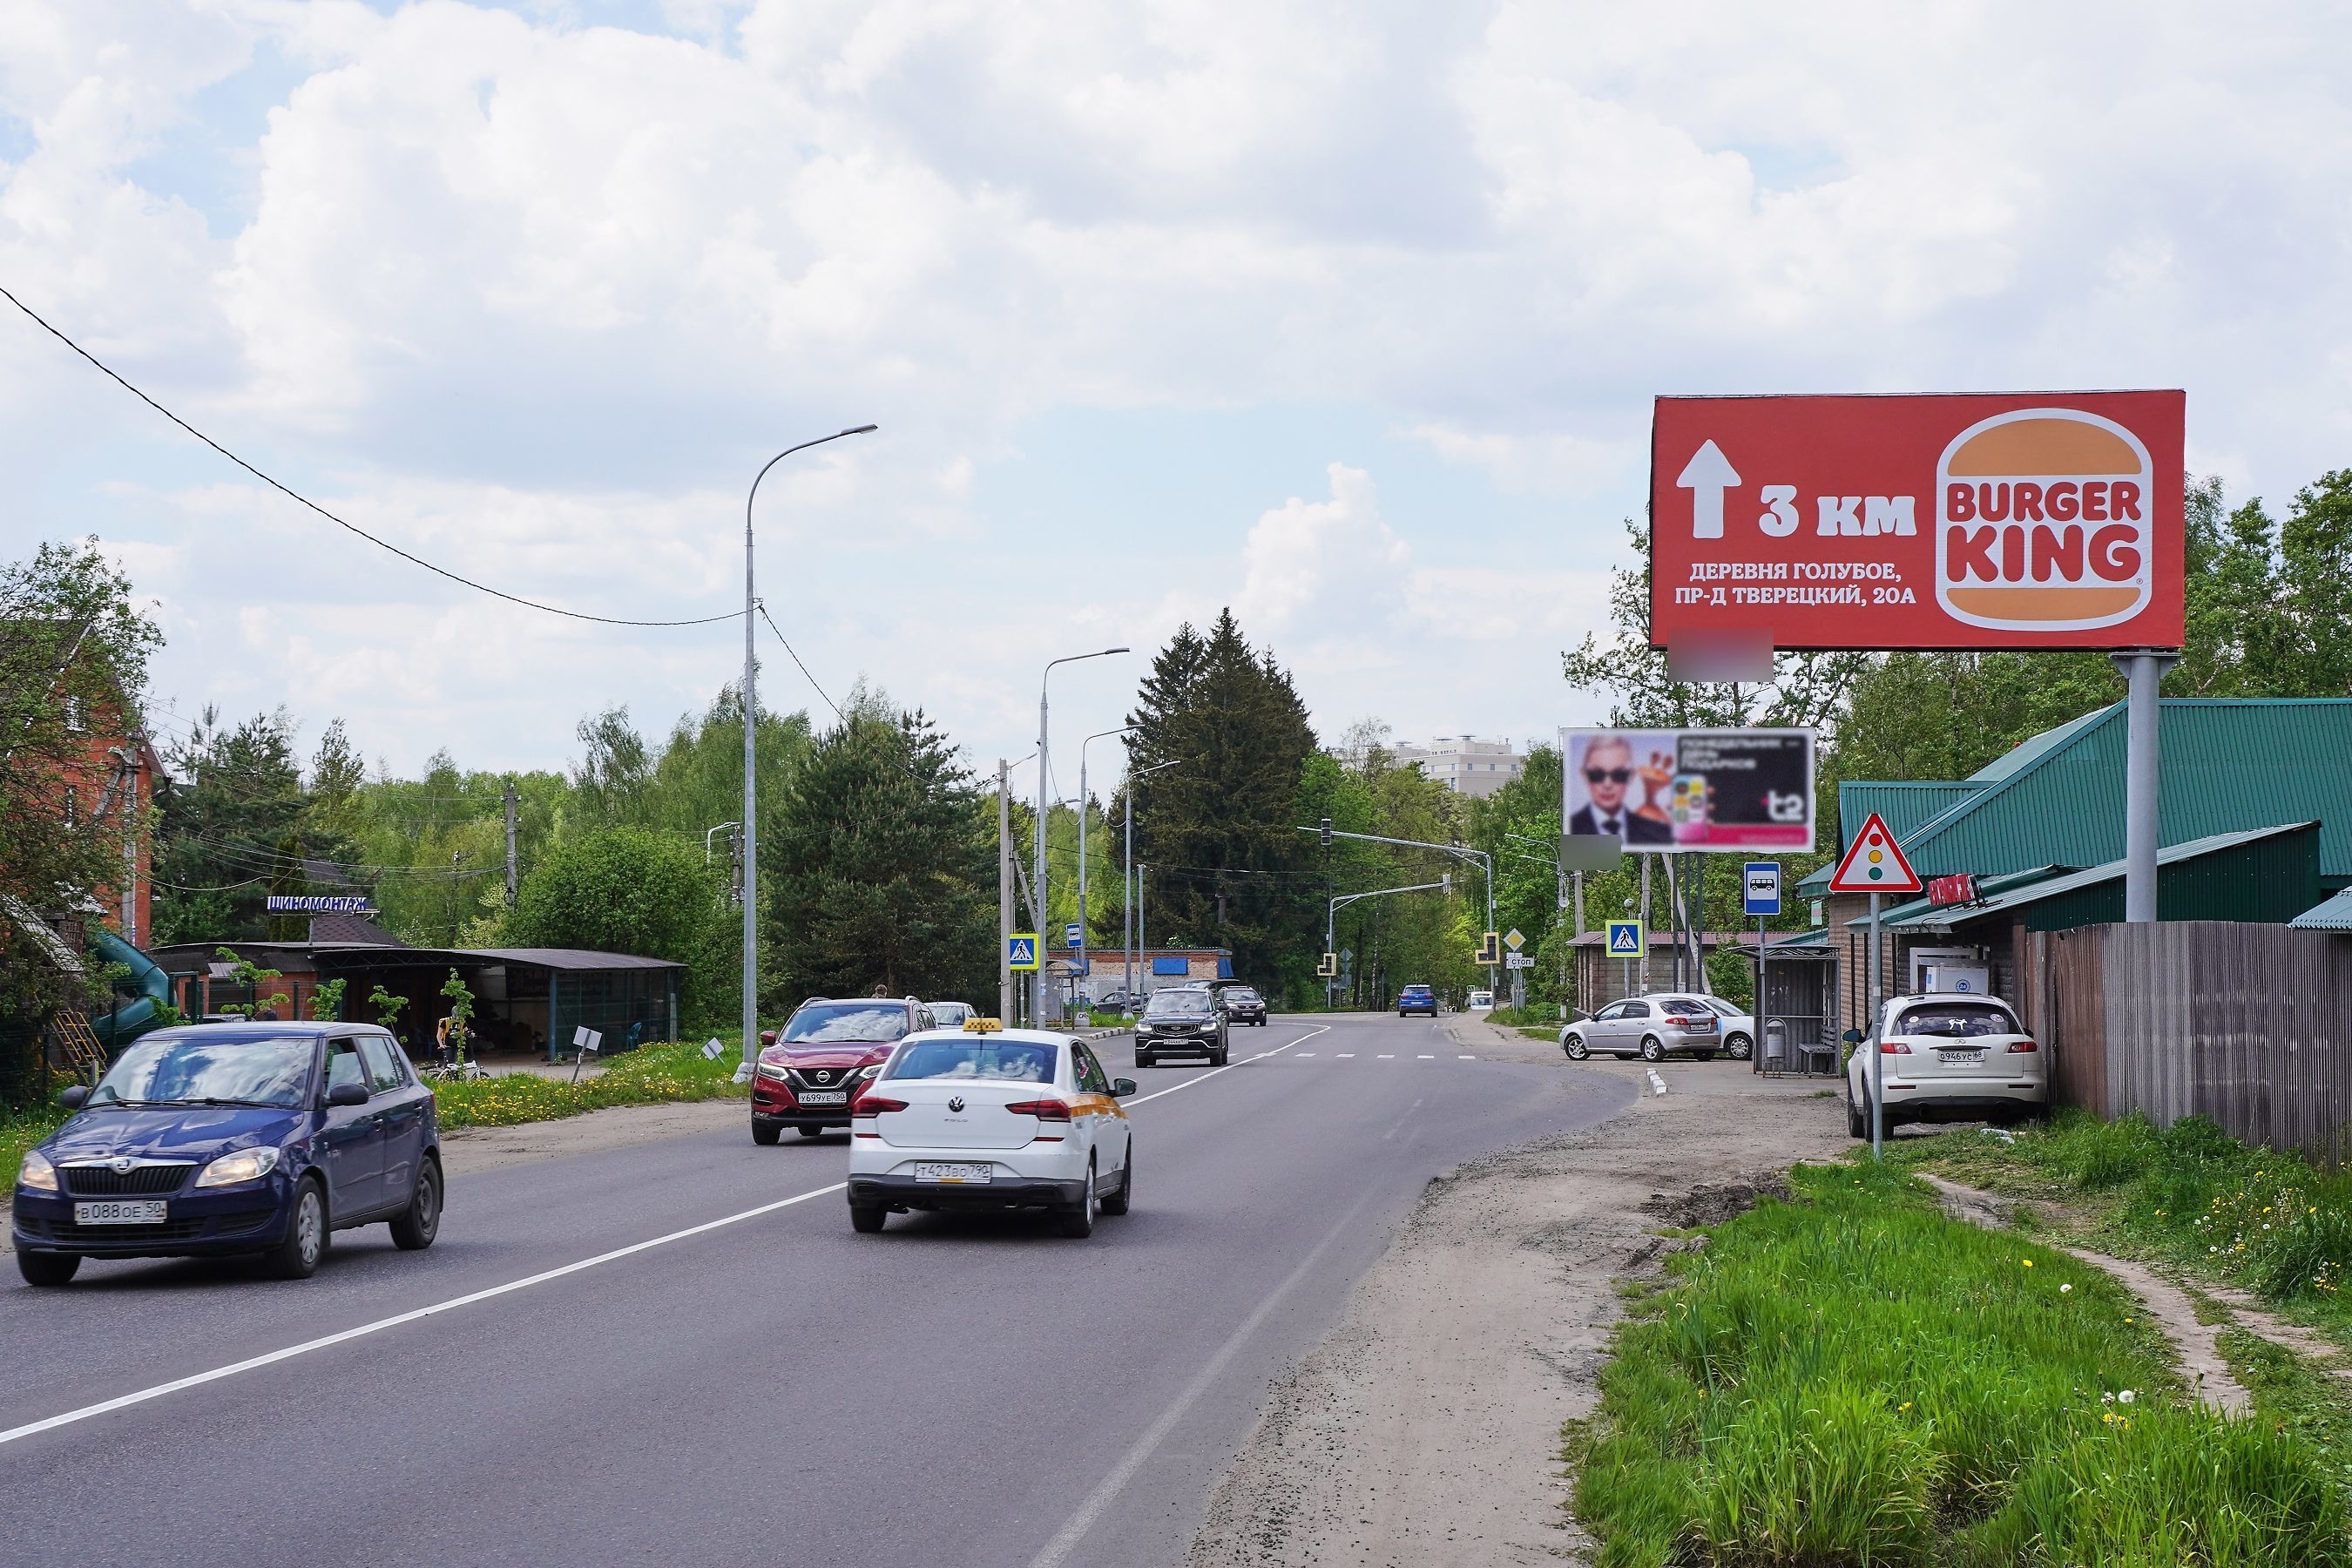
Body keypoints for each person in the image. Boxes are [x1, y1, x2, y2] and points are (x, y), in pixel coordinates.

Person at [1569, 733, 1673, 843]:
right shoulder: (1573, 827)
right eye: (1597, 775)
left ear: (1631, 776)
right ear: (1584, 775)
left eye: (1618, 775)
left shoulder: (1658, 833)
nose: (1607, 784)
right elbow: (1582, 859)